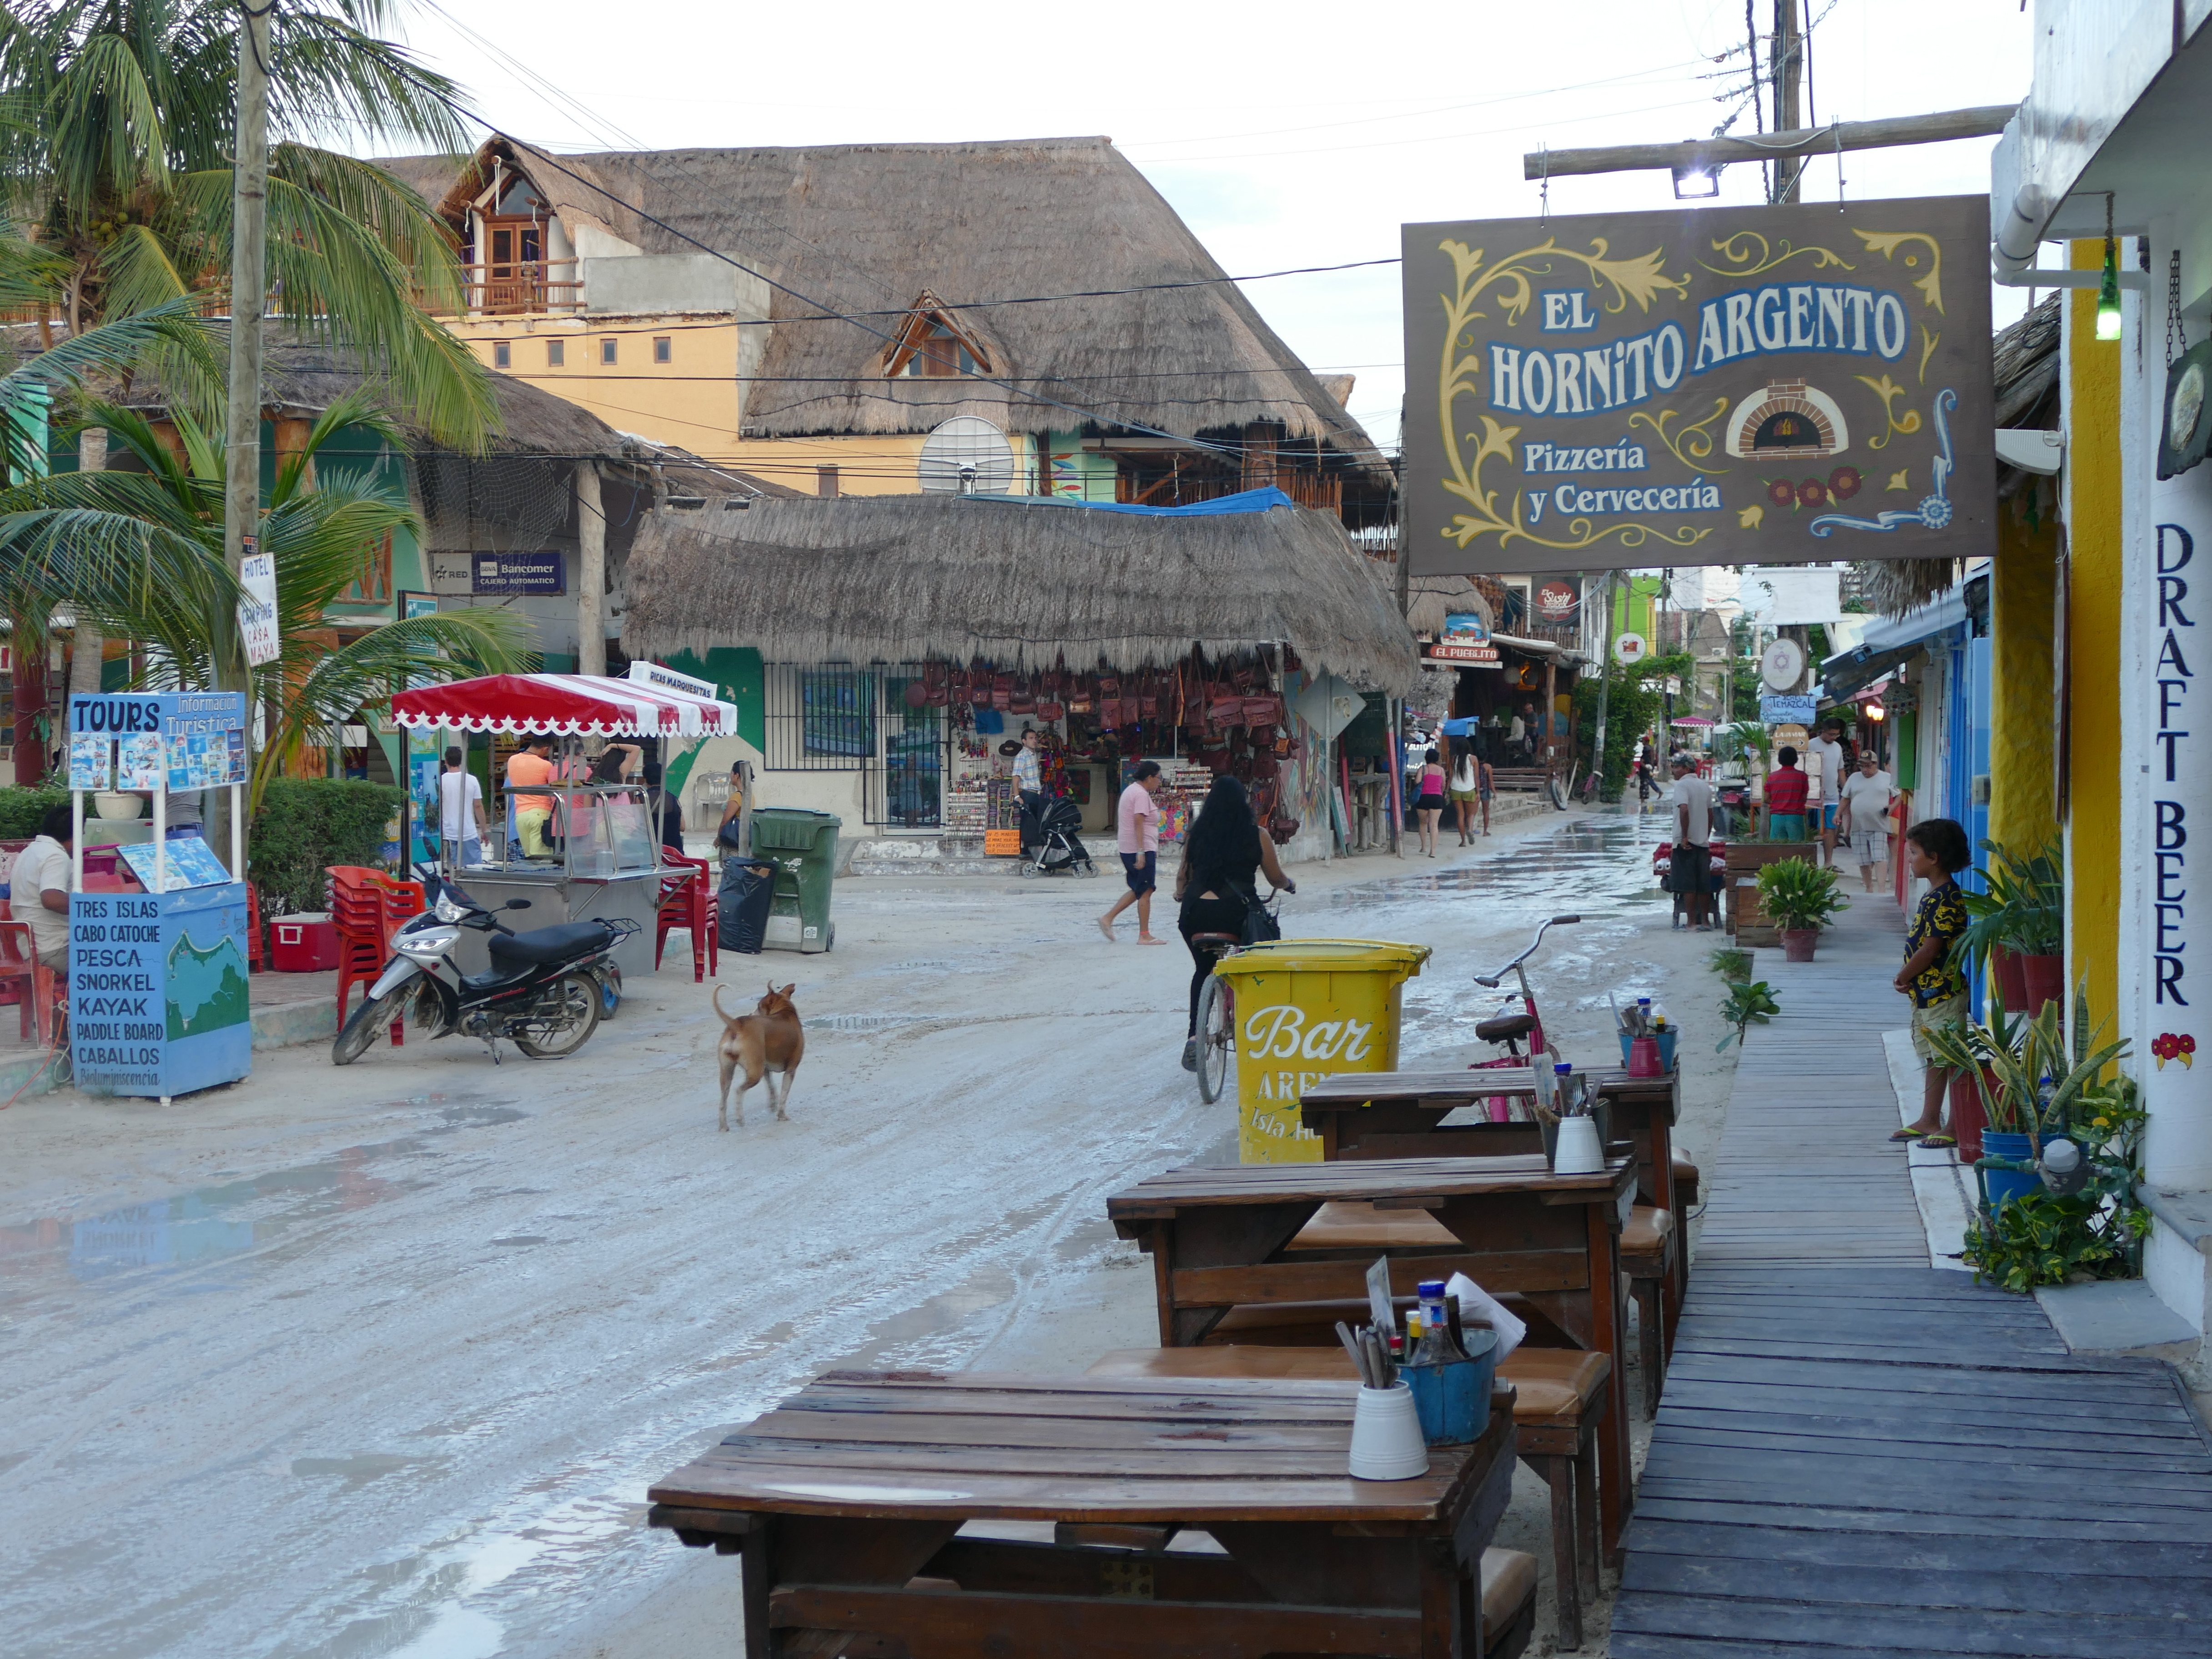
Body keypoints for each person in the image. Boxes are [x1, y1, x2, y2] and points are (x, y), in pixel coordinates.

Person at [1175, 775, 1294, 1070]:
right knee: (1256, 965)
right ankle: (1254, 1024)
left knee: (1203, 969)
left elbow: (1182, 878)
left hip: (1195, 913)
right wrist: (1289, 884)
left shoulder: (1197, 833)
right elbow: (1275, 878)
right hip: (1237, 913)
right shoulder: (1258, 835)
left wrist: (1181, 894)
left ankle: (1194, 1037)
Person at [1891, 818, 1974, 1147]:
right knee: (1931, 1057)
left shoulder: (1947, 898)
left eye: (1913, 853)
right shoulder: (1933, 895)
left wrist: (1903, 975)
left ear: (1934, 857)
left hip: (1944, 993)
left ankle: (1954, 1125)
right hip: (1926, 995)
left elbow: (1931, 948)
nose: (1909, 859)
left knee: (1950, 1058)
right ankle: (1929, 1119)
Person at [1100, 760, 1167, 944]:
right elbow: (1138, 821)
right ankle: (1144, 935)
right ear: (1149, 778)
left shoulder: (1134, 791)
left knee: (1139, 888)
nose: (1160, 781)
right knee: (1146, 890)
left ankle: (1108, 918)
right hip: (1139, 848)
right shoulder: (1139, 794)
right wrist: (1141, 851)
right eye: (1159, 778)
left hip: (1135, 847)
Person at [12, 804, 74, 975]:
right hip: (54, 949)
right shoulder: (56, 856)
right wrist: (93, 908)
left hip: (33, 948)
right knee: (117, 966)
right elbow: (51, 899)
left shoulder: (30, 851)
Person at [1668, 755, 1715, 931]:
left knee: (1688, 885)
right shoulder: (1704, 786)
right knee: (1703, 884)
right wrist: (1706, 835)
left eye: (1676, 767)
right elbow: (1711, 814)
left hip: (1685, 842)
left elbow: (1684, 809)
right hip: (1703, 841)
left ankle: (1691, 923)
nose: (1673, 771)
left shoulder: (1682, 785)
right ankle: (1705, 921)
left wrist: (1685, 837)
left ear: (1687, 769)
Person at [1839, 751, 1895, 893]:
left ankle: (1882, 888)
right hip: (1858, 825)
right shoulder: (1854, 778)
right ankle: (1869, 887)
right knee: (1863, 859)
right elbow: (1845, 798)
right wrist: (1837, 814)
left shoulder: (1887, 778)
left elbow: (1899, 795)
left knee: (1879, 856)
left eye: (1868, 766)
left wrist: (1892, 807)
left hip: (1879, 824)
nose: (1865, 770)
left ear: (1876, 764)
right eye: (1862, 766)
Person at [505, 735, 558, 858]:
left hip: (521, 816)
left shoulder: (512, 760)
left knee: (529, 859)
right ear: (546, 749)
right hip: (540, 814)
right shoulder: (546, 765)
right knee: (542, 858)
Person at [1806, 718, 1848, 864]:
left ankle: (1828, 862)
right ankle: (1810, 862)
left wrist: (1847, 790)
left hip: (1832, 795)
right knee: (1810, 829)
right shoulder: (1811, 745)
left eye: (1836, 735)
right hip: (1811, 795)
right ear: (1823, 732)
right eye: (1831, 734)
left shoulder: (1837, 747)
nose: (1834, 737)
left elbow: (1840, 770)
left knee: (1831, 829)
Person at [437, 746, 488, 866]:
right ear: (461, 761)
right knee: (474, 870)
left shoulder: (440, 781)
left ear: (446, 761)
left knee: (452, 871)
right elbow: (478, 806)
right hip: (468, 831)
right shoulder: (472, 780)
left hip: (447, 833)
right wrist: (484, 830)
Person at [1765, 745, 1810, 840]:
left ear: (1779, 760)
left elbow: (1766, 799)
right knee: (1797, 849)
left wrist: (1778, 803)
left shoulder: (1772, 777)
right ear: (1796, 759)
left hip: (1776, 817)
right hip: (1796, 817)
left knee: (1777, 850)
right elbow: (1804, 798)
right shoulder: (1802, 776)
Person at [641, 760, 685, 853]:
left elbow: (638, 825)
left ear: (645, 779)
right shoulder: (674, 798)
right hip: (675, 852)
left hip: (651, 851)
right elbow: (682, 827)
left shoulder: (642, 798)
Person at [1414, 744, 1446, 857]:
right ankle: (1433, 851)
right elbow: (1443, 785)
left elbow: (1417, 781)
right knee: (1434, 825)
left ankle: (1423, 847)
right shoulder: (1441, 770)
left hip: (1424, 797)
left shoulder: (1423, 769)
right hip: (1437, 798)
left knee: (1423, 823)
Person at [1447, 740, 1481, 846]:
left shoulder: (1453, 759)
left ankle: (1463, 841)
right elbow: (1476, 777)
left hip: (1456, 789)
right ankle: (1470, 830)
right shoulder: (1473, 759)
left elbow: (1450, 776)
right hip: (1469, 789)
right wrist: (1478, 791)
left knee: (1460, 815)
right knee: (1471, 814)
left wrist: (1447, 791)